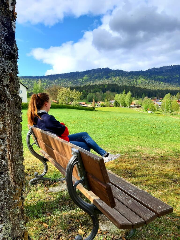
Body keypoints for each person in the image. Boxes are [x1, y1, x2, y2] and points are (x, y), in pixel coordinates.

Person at [27, 93, 120, 162]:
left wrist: (60, 126)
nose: (50, 104)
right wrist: (62, 124)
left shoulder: (35, 118)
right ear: (46, 104)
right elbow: (65, 132)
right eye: (50, 102)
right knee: (87, 145)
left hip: (54, 146)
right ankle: (105, 156)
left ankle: (106, 155)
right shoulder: (48, 118)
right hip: (62, 147)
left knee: (84, 135)